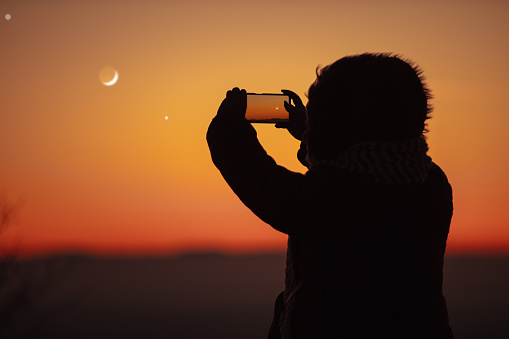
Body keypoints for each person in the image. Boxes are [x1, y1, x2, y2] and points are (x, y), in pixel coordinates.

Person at [206, 53, 454, 338]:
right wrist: (308, 132)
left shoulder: (335, 197)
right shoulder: (429, 182)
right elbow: (353, 172)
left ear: (336, 127)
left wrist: (228, 126)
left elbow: (268, 187)